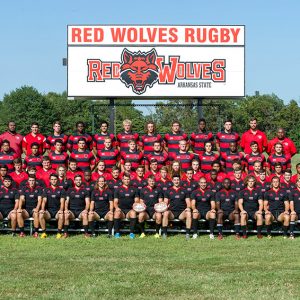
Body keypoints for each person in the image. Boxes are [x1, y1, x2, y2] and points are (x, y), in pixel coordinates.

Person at [162, 175, 192, 239]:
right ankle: (164, 233)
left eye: (178, 180)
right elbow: (165, 203)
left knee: (189, 213)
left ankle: (187, 234)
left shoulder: (185, 190)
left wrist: (188, 208)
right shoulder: (168, 191)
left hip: (182, 213)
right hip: (172, 212)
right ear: (172, 181)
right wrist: (165, 208)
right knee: (165, 213)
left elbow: (188, 202)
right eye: (175, 180)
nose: (176, 181)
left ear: (180, 181)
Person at [113, 173, 139, 239]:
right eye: (125, 179)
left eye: (128, 179)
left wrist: (135, 204)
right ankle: (117, 233)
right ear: (122, 180)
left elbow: (137, 200)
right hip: (121, 210)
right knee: (116, 213)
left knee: (133, 213)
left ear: (130, 180)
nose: (126, 181)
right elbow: (115, 201)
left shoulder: (134, 189)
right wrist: (116, 208)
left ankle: (131, 233)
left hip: (130, 210)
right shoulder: (118, 189)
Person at [40, 173, 65, 239]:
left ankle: (59, 233)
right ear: (50, 180)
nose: (53, 181)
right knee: (41, 214)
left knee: (61, 215)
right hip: (48, 211)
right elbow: (44, 201)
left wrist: (61, 210)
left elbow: (62, 201)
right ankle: (44, 233)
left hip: (57, 211)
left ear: (57, 180)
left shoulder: (61, 190)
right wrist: (42, 209)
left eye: (55, 179)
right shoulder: (46, 189)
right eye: (52, 179)